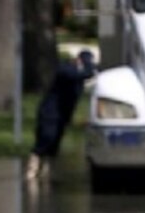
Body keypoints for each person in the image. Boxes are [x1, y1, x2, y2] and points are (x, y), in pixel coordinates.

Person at [26, 49, 97, 180]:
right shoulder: (66, 69)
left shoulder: (80, 76)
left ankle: (46, 172)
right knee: (47, 136)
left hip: (63, 113)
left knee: (55, 142)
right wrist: (90, 68)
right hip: (50, 111)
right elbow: (79, 75)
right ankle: (32, 169)